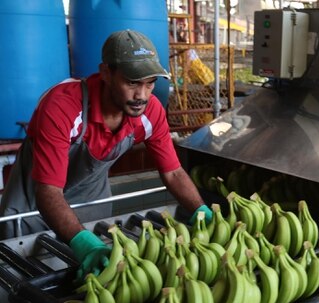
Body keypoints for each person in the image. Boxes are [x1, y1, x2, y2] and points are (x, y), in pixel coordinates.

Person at [0, 30, 212, 280]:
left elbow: (174, 172)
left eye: (150, 82)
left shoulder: (149, 112)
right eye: (132, 82)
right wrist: (84, 243)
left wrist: (201, 210)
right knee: (25, 279)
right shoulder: (63, 107)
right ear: (106, 73)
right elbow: (48, 191)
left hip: (91, 204)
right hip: (33, 207)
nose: (142, 95)